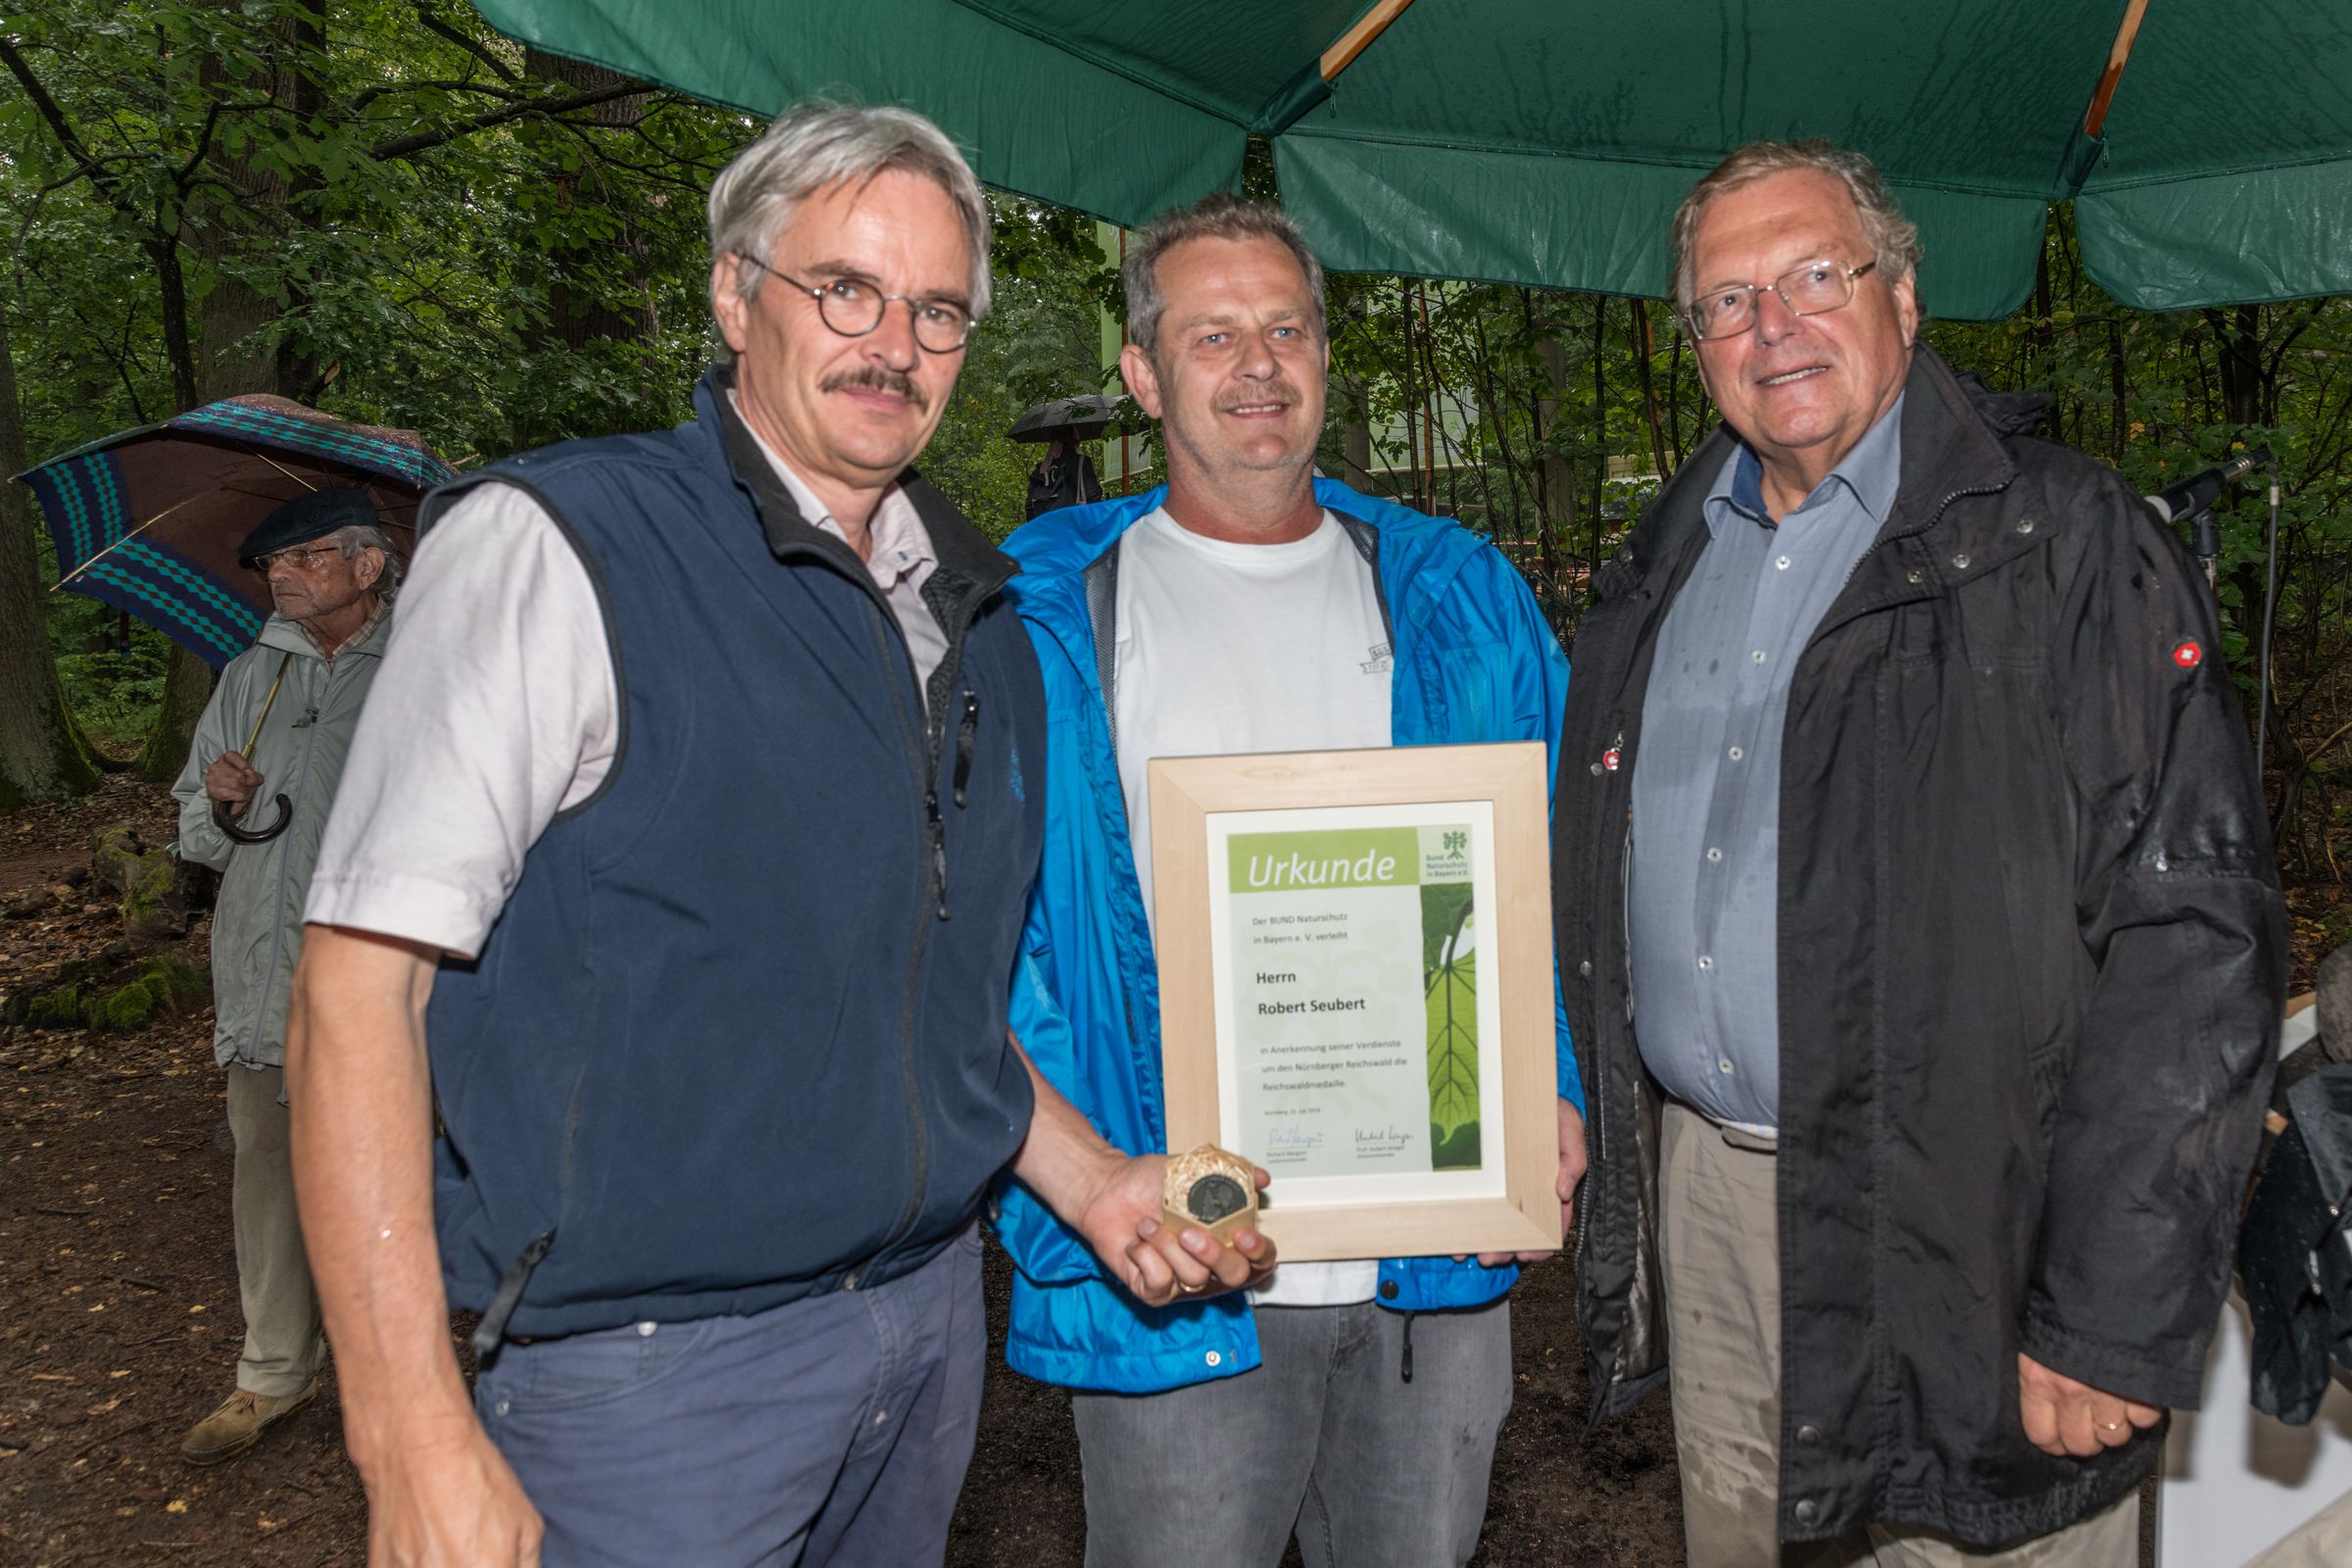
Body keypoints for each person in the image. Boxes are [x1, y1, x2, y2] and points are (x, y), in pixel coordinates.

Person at [283, 104, 1267, 1568]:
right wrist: (407, 1427)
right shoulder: (562, 548)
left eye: (938, 311)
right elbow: (356, 989)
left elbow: (916, 999)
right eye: (847, 289)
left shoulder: (977, 618)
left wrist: (1089, 1178)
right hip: (647, 1381)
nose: (895, 344)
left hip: (924, 1347)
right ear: (737, 294)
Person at [1552, 138, 2285, 1564]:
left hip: (1976, 1217)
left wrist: (2109, 1312)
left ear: (1901, 293)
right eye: (1727, 299)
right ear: (1692, 340)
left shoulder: (2062, 541)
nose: (1775, 325)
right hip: (1719, 1201)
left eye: (1815, 274)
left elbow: (2192, 944)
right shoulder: (1659, 568)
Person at [994, 192, 1583, 1568]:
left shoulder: (1458, 592)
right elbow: (997, 936)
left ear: (1325, 354)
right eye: (1212, 335)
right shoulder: (1040, 613)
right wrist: (1077, 1180)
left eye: (1286, 327)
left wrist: (1544, 1075)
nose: (1257, 364)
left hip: (1426, 1257)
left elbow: (1548, 863)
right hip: (1184, 1266)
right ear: (1144, 375)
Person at [168, 488, 396, 1463]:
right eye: (275, 565)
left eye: (306, 557)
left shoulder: (423, 669)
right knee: (267, 1165)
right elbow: (191, 828)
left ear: (369, 565)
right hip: (265, 965)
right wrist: (220, 804)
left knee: (389, 1171)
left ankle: (398, 1376)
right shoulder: (252, 670)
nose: (284, 575)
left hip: (383, 970)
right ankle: (272, 1371)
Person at [1024, 431, 1103, 520]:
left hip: (1044, 525)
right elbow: (1093, 494)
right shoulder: (1080, 462)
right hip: (1072, 522)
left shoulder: (1040, 469)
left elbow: (1029, 505)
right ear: (1075, 442)